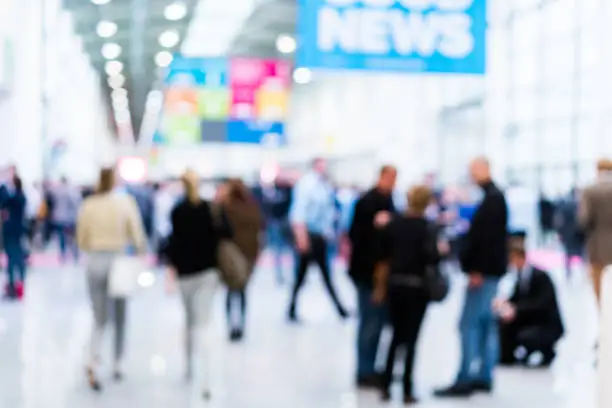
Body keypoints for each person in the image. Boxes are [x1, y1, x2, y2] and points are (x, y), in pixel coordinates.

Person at [435, 157, 508, 398]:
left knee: (469, 324)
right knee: (486, 324)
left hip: (484, 272)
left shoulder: (493, 200)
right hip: (489, 271)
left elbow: (487, 240)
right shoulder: (492, 198)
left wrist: (476, 269)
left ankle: (465, 377)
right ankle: (483, 375)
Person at [76, 168, 147, 391]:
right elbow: (137, 235)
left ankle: (92, 359)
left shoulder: (89, 204)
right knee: (120, 316)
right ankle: (118, 363)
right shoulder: (125, 203)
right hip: (118, 261)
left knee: (99, 316)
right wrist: (138, 251)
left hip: (95, 260)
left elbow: (81, 239)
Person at [373, 185, 445, 404]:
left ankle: (385, 384)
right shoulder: (428, 228)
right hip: (417, 287)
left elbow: (382, 253)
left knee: (395, 336)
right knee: (412, 340)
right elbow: (432, 258)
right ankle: (406, 388)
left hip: (395, 285)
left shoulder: (394, 224)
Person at [166, 169, 233, 400]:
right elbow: (226, 234)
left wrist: (171, 269)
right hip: (207, 272)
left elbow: (173, 243)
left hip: (186, 274)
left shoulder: (177, 211)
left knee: (189, 321)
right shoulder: (209, 209)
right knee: (204, 323)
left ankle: (189, 368)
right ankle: (205, 376)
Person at [347, 165, 397, 388]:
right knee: (369, 321)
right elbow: (356, 237)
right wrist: (377, 226)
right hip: (367, 273)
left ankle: (373, 367)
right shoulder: (367, 202)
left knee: (379, 321)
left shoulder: (390, 202)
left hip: (382, 274)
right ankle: (364, 369)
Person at [287, 158, 349, 322]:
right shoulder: (307, 184)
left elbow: (328, 211)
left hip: (320, 236)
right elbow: (298, 212)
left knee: (321, 275)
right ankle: (292, 309)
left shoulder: (324, 185)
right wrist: (301, 237)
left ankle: (339, 309)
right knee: (304, 276)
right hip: (309, 236)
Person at [496, 243, 564, 367]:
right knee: (503, 323)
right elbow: (517, 298)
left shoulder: (540, 277)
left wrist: (517, 309)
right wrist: (505, 305)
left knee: (527, 335)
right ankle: (506, 356)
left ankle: (545, 351)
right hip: (530, 317)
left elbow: (542, 303)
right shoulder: (520, 277)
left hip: (545, 323)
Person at [219, 179, 264, 342]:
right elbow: (259, 231)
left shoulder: (226, 209)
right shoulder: (252, 209)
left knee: (231, 292)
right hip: (248, 256)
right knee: (243, 292)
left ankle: (231, 325)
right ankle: (242, 325)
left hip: (231, 257)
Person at [579, 158, 612, 308]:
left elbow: (584, 219)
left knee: (600, 291)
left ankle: (605, 324)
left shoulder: (590, 191)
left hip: (598, 246)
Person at [2, 174, 27, 300]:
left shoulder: (15, 198)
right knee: (17, 258)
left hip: (11, 232)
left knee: (12, 259)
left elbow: (3, 201)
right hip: (18, 232)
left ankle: (13, 286)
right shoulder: (21, 197)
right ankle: (18, 284)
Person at [554, 188, 584, 279]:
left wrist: (560, 232)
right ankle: (581, 272)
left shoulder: (565, 205)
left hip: (568, 234)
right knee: (580, 254)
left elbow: (559, 220)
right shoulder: (579, 205)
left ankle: (569, 273)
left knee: (569, 255)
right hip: (577, 234)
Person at [51, 176, 81, 263]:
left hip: (59, 218)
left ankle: (63, 254)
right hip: (69, 218)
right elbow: (75, 205)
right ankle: (75, 254)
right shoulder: (71, 191)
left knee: (61, 238)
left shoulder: (57, 192)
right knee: (71, 238)